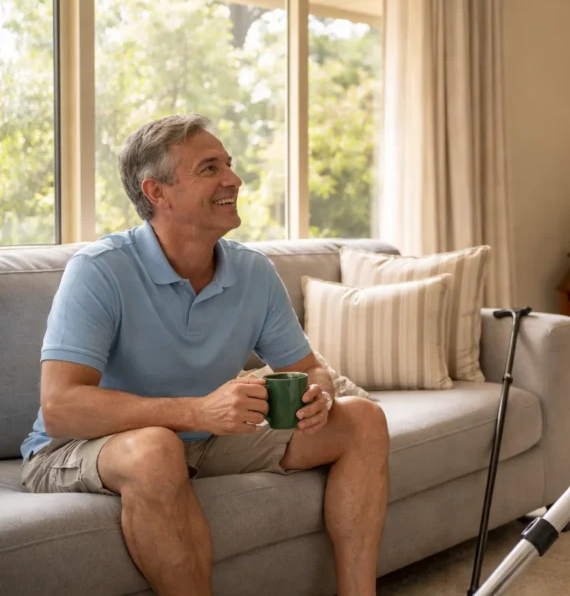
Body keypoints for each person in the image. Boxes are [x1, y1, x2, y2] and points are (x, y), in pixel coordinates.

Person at [19, 113, 390, 596]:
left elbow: (309, 369)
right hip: (80, 447)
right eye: (210, 168)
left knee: (362, 419)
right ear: (158, 193)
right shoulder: (100, 270)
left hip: (205, 438)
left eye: (229, 166)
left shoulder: (253, 272)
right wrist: (197, 410)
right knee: (156, 448)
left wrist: (317, 395)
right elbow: (62, 407)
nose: (233, 179)